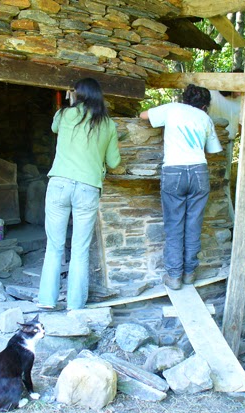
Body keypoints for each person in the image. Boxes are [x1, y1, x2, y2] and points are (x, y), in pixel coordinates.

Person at [38, 78, 121, 310]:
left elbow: (54, 128)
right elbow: (114, 162)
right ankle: (75, 305)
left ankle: (47, 300)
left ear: (78, 94)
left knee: (54, 246)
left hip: (59, 184)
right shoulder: (108, 124)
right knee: (80, 249)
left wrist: (70, 101)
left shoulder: (64, 115)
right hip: (88, 188)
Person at [140, 84, 222, 290]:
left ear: (184, 98)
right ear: (205, 105)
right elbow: (213, 150)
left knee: (174, 225)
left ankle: (174, 276)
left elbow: (143, 115)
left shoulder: (172, 108)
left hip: (174, 171)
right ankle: (189, 274)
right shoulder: (205, 118)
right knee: (194, 225)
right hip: (199, 172)